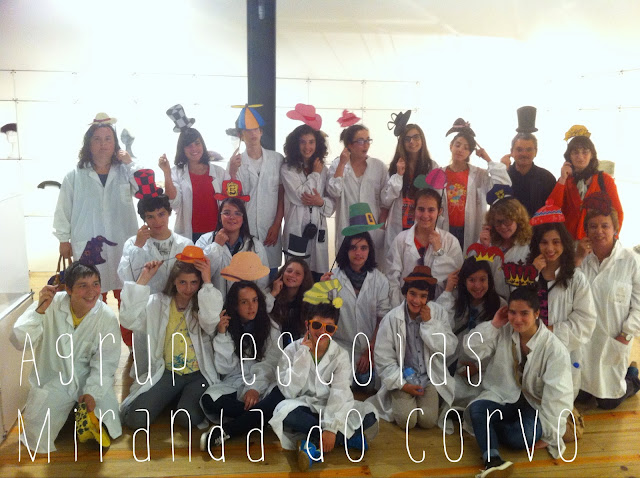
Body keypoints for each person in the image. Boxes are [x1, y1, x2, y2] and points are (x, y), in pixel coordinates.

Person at [12, 262, 122, 453]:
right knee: (39, 436)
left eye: (95, 284)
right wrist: (39, 312)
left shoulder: (106, 317)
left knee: (106, 425)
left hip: (88, 377)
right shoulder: (50, 305)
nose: (91, 292)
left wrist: (92, 392)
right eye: (83, 285)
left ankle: (73, 412)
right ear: (68, 289)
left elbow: (106, 362)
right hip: (54, 380)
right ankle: (69, 414)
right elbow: (20, 340)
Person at [464, 286, 574, 477]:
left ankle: (488, 429)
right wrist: (494, 325)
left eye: (524, 313)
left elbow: (559, 394)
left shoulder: (554, 349)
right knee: (476, 409)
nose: (517, 319)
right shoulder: (504, 330)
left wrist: (550, 434)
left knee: (519, 438)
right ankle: (493, 460)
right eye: (512, 312)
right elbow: (471, 349)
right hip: (506, 397)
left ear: (537, 314)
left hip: (535, 406)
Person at [269, 284, 378, 471]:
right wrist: (303, 356)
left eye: (329, 328)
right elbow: (289, 391)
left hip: (332, 406)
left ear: (335, 330)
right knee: (284, 412)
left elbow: (340, 393)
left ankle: (312, 443)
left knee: (370, 415)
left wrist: (330, 427)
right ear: (307, 324)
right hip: (303, 407)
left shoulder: (341, 355)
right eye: (317, 325)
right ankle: (347, 438)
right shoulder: (292, 350)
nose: (322, 332)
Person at [119, 257, 223, 430]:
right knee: (136, 419)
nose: (188, 288)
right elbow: (128, 319)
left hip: (198, 375)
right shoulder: (157, 303)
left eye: (194, 282)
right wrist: (144, 278)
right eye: (182, 282)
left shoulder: (203, 304)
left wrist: (207, 281)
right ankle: (173, 396)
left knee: (187, 419)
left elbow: (211, 323)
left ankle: (180, 398)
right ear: (173, 281)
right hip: (168, 372)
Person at [53, 112, 140, 309]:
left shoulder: (125, 172)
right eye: (97, 139)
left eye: (108, 139)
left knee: (127, 295)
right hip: (88, 243)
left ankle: (127, 330)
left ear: (115, 143)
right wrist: (63, 239)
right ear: (89, 144)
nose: (103, 144)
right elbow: (63, 209)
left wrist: (130, 163)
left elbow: (144, 191)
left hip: (121, 241)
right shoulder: (74, 176)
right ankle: (94, 329)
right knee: (91, 296)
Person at [369, 266, 456, 431]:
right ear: (405, 293)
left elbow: (449, 348)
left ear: (429, 297)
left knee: (428, 421)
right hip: (402, 378)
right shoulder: (392, 318)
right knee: (407, 421)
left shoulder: (438, 314)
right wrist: (402, 385)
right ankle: (399, 397)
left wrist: (430, 323)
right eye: (413, 294)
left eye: (423, 296)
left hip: (428, 378)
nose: (417, 300)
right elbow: (383, 357)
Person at [199, 281, 284, 449]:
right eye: (244, 302)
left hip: (264, 381)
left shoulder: (271, 327)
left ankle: (228, 431)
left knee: (279, 395)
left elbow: (271, 364)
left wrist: (255, 388)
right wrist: (222, 335)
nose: (251, 307)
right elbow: (224, 368)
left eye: (254, 300)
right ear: (235, 306)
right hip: (236, 381)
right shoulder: (227, 327)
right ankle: (261, 417)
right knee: (209, 400)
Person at [575, 192, 640, 409]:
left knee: (608, 402)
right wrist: (577, 259)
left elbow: (639, 303)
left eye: (605, 225)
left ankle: (632, 378)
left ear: (615, 229)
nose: (599, 231)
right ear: (586, 231)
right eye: (593, 226)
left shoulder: (630, 261)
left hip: (614, 338)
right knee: (581, 396)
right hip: (585, 341)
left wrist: (627, 333)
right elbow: (567, 291)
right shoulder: (581, 259)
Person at [528, 203, 596, 396]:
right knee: (531, 394)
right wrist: (531, 275)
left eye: (556, 242)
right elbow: (518, 306)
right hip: (531, 348)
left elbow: (586, 320)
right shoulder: (529, 274)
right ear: (537, 244)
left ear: (565, 244)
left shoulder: (576, 278)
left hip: (563, 350)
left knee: (558, 398)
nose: (550, 248)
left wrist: (549, 331)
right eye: (544, 242)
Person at [320, 228, 390, 383]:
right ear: (346, 250)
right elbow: (323, 315)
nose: (358, 253)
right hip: (340, 346)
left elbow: (383, 318)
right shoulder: (333, 278)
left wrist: (370, 350)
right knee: (338, 385)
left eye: (363, 248)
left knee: (372, 384)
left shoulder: (380, 280)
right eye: (353, 248)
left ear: (370, 251)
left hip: (371, 348)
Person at [228, 104, 285, 274]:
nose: (252, 134)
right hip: (246, 229)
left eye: (256, 129)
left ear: (261, 132)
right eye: (247, 130)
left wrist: (277, 224)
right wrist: (232, 173)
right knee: (246, 274)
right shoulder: (235, 163)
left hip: (270, 228)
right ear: (241, 135)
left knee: (270, 273)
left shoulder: (277, 159)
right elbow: (232, 199)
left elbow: (281, 196)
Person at [440, 118, 511, 252]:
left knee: (469, 260)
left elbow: (503, 184)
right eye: (457, 145)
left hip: (470, 229)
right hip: (445, 228)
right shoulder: (440, 173)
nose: (460, 150)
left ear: (470, 152)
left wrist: (488, 159)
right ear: (451, 146)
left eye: (466, 148)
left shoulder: (479, 175)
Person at [388, 188, 463, 306]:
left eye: (431, 210)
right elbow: (392, 278)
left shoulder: (450, 241)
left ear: (439, 211)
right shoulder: (401, 240)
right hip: (404, 305)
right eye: (421, 209)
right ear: (414, 210)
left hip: (439, 307)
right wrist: (401, 310)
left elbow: (454, 280)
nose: (425, 215)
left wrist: (439, 250)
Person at [547, 125, 624, 239]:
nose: (580, 157)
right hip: (569, 241)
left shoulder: (605, 180)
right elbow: (551, 210)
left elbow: (618, 213)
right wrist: (562, 180)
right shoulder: (565, 180)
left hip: (596, 240)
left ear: (592, 154)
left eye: (585, 152)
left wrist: (612, 239)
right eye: (575, 152)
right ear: (569, 156)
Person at [280, 124, 335, 281]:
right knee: (295, 275)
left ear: (317, 144)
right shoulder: (288, 169)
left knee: (318, 276)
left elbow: (331, 206)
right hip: (296, 228)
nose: (307, 147)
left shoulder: (324, 170)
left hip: (318, 229)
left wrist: (320, 202)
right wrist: (315, 174)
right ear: (295, 144)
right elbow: (302, 196)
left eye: (311, 142)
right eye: (302, 142)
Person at [160, 119, 228, 242]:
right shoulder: (176, 172)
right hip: (190, 234)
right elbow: (173, 202)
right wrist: (167, 173)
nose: (194, 148)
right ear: (182, 149)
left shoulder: (219, 172)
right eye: (188, 145)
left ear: (203, 145)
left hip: (217, 233)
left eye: (197, 143)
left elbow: (229, 202)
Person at [327, 124, 388, 258]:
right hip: (346, 226)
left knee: (372, 265)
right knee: (346, 264)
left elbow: (386, 201)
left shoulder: (379, 167)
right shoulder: (338, 164)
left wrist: (381, 227)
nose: (366, 145)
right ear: (349, 144)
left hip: (372, 228)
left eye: (368, 140)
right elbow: (334, 191)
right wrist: (342, 163)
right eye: (360, 141)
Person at [382, 123, 439, 259]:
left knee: (420, 261)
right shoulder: (394, 167)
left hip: (422, 221)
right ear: (402, 143)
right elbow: (386, 200)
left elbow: (437, 198)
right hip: (398, 222)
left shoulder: (431, 166)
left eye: (416, 137)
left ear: (422, 139)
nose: (412, 142)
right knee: (397, 261)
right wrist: (399, 175)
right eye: (407, 139)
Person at [197, 197, 269, 301]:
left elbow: (262, 281)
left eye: (237, 213)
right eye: (227, 213)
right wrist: (216, 246)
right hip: (214, 304)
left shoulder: (255, 245)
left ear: (243, 219)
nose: (232, 217)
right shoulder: (205, 241)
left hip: (245, 306)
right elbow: (200, 274)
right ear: (220, 217)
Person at [118, 193, 193, 293]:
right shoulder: (132, 243)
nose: (157, 221)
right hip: (146, 300)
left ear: (169, 213)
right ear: (144, 219)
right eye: (150, 217)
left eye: (161, 214)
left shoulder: (186, 244)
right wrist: (137, 247)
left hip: (176, 300)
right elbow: (126, 279)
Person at [501, 106, 556, 217]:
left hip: (539, 228)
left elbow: (552, 212)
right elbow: (495, 208)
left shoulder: (547, 178)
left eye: (529, 149)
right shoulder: (503, 178)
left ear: (536, 152)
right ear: (511, 151)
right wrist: (501, 170)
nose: (524, 154)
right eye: (519, 149)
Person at [480, 185, 532, 299]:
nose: (503, 227)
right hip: (492, 301)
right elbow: (479, 275)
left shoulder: (529, 244)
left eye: (507, 221)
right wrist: (485, 248)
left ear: (518, 219)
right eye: (498, 222)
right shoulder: (488, 241)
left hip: (519, 302)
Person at [266, 256, 314, 346]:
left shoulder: (309, 300)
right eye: (289, 271)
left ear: (304, 278)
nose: (292, 275)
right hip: (273, 346)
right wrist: (273, 293)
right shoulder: (270, 292)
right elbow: (260, 312)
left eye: (297, 273)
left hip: (298, 347)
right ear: (282, 273)